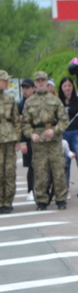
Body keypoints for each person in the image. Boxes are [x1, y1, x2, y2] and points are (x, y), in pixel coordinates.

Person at [22, 72, 69, 210]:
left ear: (47, 82)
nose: (41, 83)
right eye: (38, 81)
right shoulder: (29, 102)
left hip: (53, 140)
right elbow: (25, 123)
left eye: (43, 81)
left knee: (58, 170)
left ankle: (61, 199)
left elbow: (64, 120)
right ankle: (41, 200)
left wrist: (55, 130)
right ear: (35, 83)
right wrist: (31, 134)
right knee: (40, 171)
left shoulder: (55, 100)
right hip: (39, 141)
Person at [0, 70, 21, 213]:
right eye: (5, 80)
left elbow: (16, 120)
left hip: (9, 138)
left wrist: (18, 139)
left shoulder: (9, 99)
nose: (7, 83)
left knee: (9, 171)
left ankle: (7, 201)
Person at [18, 78, 35, 200]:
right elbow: (20, 126)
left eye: (27, 88)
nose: (25, 90)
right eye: (23, 88)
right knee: (31, 165)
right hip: (27, 138)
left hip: (40, 137)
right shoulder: (20, 105)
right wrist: (22, 141)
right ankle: (30, 190)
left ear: (33, 89)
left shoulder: (38, 101)